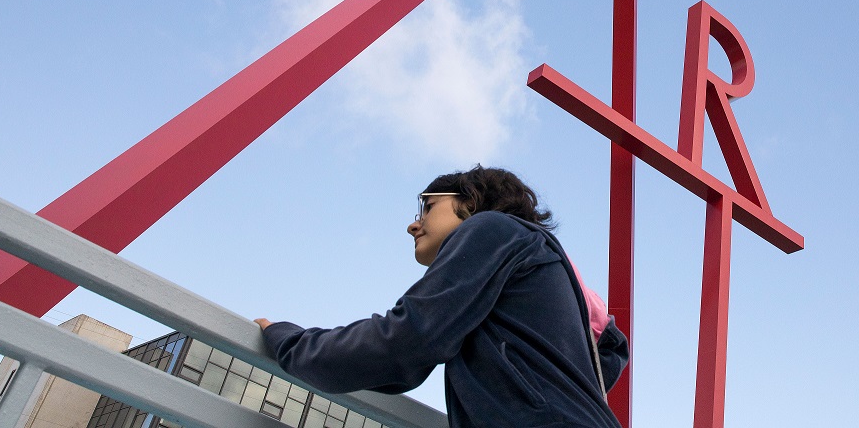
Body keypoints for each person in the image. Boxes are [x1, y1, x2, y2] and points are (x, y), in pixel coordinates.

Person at [255, 165, 629, 428]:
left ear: (470, 200)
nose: (413, 224)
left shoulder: (493, 228)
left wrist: (289, 341)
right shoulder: (539, 275)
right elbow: (606, 358)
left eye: (428, 206)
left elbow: (404, 341)